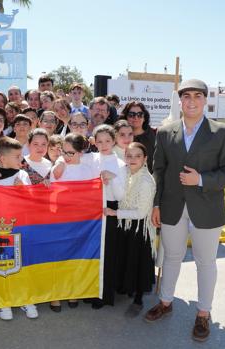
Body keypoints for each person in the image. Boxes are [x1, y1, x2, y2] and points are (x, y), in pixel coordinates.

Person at [145, 79, 225, 342]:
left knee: (205, 262)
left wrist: (201, 179)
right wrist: (156, 203)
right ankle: (165, 302)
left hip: (207, 208)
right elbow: (159, 171)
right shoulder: (166, 132)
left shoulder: (222, 132)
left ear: (205, 100)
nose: (191, 101)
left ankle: (203, 313)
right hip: (171, 206)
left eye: (197, 96)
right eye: (186, 96)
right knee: (172, 257)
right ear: (180, 101)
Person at [0, 137, 37, 321]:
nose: (21, 160)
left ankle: (25, 298)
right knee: (3, 264)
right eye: (17, 156)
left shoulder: (22, 175)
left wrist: (23, 191)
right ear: (3, 159)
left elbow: (31, 202)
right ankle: (4, 301)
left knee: (22, 264)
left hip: (21, 228)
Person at [105, 142, 156, 317]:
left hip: (139, 228)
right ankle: (126, 288)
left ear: (145, 159)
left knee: (138, 262)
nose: (133, 159)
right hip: (124, 224)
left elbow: (141, 213)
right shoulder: (124, 173)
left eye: (137, 156)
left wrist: (114, 212)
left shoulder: (146, 181)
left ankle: (139, 298)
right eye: (129, 156)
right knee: (125, 258)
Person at [50, 133, 99, 311]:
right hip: (60, 218)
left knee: (75, 255)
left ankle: (72, 292)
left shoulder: (87, 170)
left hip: (79, 219)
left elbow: (93, 193)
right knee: (59, 255)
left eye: (70, 153)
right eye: (64, 151)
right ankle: (55, 295)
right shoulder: (59, 164)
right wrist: (61, 164)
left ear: (80, 152)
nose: (66, 156)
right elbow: (53, 178)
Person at [89, 125, 126, 309]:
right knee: (92, 252)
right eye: (99, 141)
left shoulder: (120, 164)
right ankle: (89, 290)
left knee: (108, 253)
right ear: (94, 142)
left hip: (109, 211)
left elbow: (120, 196)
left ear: (114, 141)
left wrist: (112, 179)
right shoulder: (91, 159)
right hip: (90, 211)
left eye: (107, 141)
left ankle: (104, 294)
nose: (103, 145)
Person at [119, 101, 156, 172]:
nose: (136, 117)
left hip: (149, 180)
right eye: (131, 114)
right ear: (125, 117)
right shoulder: (118, 137)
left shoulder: (155, 134)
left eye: (140, 114)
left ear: (144, 117)